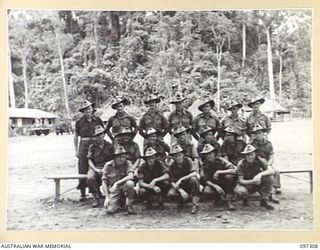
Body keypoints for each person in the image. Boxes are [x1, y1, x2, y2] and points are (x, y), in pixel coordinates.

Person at [74, 100, 104, 201]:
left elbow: (103, 132)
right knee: (83, 168)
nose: (88, 111)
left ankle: (97, 190)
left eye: (89, 109)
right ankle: (82, 192)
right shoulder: (79, 122)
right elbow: (76, 136)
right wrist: (76, 150)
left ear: (92, 109)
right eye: (85, 110)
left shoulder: (98, 120)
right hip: (84, 146)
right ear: (83, 111)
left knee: (97, 165)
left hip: (95, 145)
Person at [234, 144, 276, 210]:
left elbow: (271, 171)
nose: (250, 157)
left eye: (251, 154)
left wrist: (260, 175)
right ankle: (245, 198)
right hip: (246, 184)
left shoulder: (259, 160)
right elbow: (241, 180)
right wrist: (253, 181)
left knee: (270, 178)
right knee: (240, 191)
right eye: (247, 155)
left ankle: (264, 199)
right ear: (245, 156)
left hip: (257, 182)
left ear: (255, 154)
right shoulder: (241, 164)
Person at [200, 144, 237, 211]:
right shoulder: (205, 165)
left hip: (225, 183)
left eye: (210, 153)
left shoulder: (221, 160)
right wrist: (216, 186)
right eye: (206, 154)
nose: (208, 156)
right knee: (207, 191)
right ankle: (218, 198)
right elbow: (206, 180)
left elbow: (233, 170)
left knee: (228, 177)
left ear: (214, 153)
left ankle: (229, 202)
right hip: (214, 184)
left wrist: (219, 172)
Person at [102, 145, 136, 215]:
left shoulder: (128, 163)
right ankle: (120, 203)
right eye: (119, 157)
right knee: (109, 210)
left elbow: (131, 176)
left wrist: (117, 183)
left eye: (123, 157)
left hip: (124, 188)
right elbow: (104, 182)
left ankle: (129, 205)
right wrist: (107, 197)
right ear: (114, 158)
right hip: (114, 190)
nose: (121, 159)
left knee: (130, 183)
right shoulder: (108, 165)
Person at [167, 144, 200, 214]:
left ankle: (195, 204)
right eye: (176, 156)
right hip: (179, 186)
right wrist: (181, 190)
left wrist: (181, 179)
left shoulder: (188, 160)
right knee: (170, 193)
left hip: (188, 183)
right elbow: (172, 181)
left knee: (194, 179)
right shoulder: (172, 165)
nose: (178, 158)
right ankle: (183, 200)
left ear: (183, 155)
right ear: (173, 157)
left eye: (179, 155)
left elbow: (194, 173)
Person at [251, 124, 281, 200]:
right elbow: (251, 157)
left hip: (267, 163)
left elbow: (271, 156)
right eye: (256, 133)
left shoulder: (268, 144)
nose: (258, 135)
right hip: (257, 164)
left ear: (263, 133)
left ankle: (275, 188)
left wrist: (268, 164)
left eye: (259, 133)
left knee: (275, 171)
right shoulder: (252, 144)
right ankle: (268, 193)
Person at [86, 125, 114, 207]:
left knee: (113, 176)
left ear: (104, 134)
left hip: (108, 167)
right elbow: (89, 159)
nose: (100, 136)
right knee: (90, 177)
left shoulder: (109, 145)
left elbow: (113, 158)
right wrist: (95, 169)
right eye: (98, 135)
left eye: (101, 134)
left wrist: (106, 168)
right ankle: (95, 197)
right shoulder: (92, 146)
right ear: (95, 136)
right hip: (96, 167)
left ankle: (111, 196)